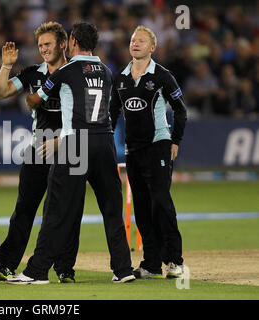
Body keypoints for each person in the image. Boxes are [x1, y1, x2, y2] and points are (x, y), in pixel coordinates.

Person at [9, 22, 135, 284]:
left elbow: (35, 100)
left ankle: (37, 271)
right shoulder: (107, 71)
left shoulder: (66, 70)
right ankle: (123, 270)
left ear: (73, 42)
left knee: (57, 207)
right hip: (105, 142)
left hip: (76, 144)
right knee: (112, 208)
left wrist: (32, 97)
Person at [0, 22, 79, 283]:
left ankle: (65, 268)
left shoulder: (76, 73)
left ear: (62, 44)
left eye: (48, 44)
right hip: (38, 146)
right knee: (24, 208)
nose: (43, 49)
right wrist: (6, 65)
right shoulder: (33, 74)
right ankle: (6, 264)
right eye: (40, 45)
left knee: (67, 211)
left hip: (71, 146)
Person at [109, 25, 187, 279]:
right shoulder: (120, 78)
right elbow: (111, 114)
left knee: (161, 202)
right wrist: (107, 142)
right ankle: (151, 263)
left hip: (159, 145)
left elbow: (181, 110)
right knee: (142, 207)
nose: (135, 43)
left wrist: (174, 141)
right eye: (133, 40)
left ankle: (175, 260)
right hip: (133, 150)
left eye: (141, 41)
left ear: (153, 47)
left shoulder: (163, 75)